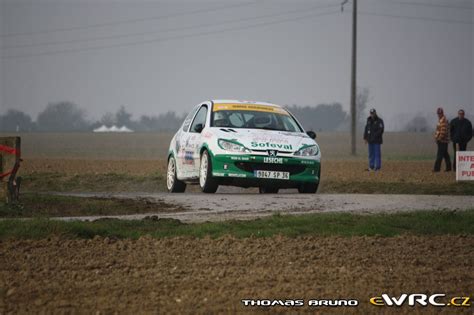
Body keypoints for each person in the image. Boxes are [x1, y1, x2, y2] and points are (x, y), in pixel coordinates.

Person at [433, 107, 451, 172]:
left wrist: (439, 139)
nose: (439, 114)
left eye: (440, 113)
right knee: (445, 154)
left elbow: (443, 131)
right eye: (438, 113)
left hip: (442, 141)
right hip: (443, 140)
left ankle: (436, 169)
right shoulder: (441, 119)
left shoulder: (443, 120)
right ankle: (449, 168)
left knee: (439, 155)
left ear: (442, 113)